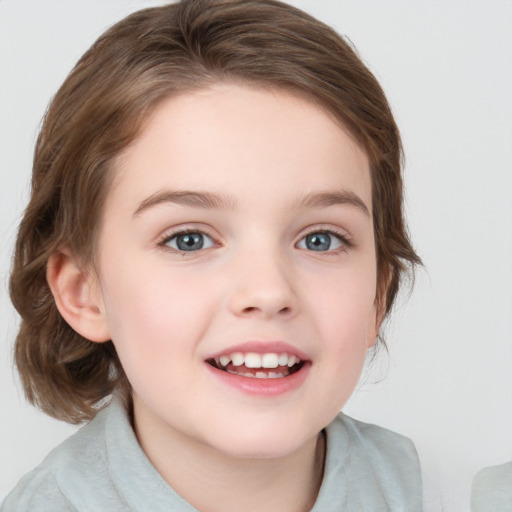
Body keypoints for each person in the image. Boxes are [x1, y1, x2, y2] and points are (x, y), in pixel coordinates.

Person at [1, 0, 423, 510]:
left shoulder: (452, 493)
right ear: (83, 292)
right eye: (189, 239)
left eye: (320, 239)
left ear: (377, 292)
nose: (268, 291)